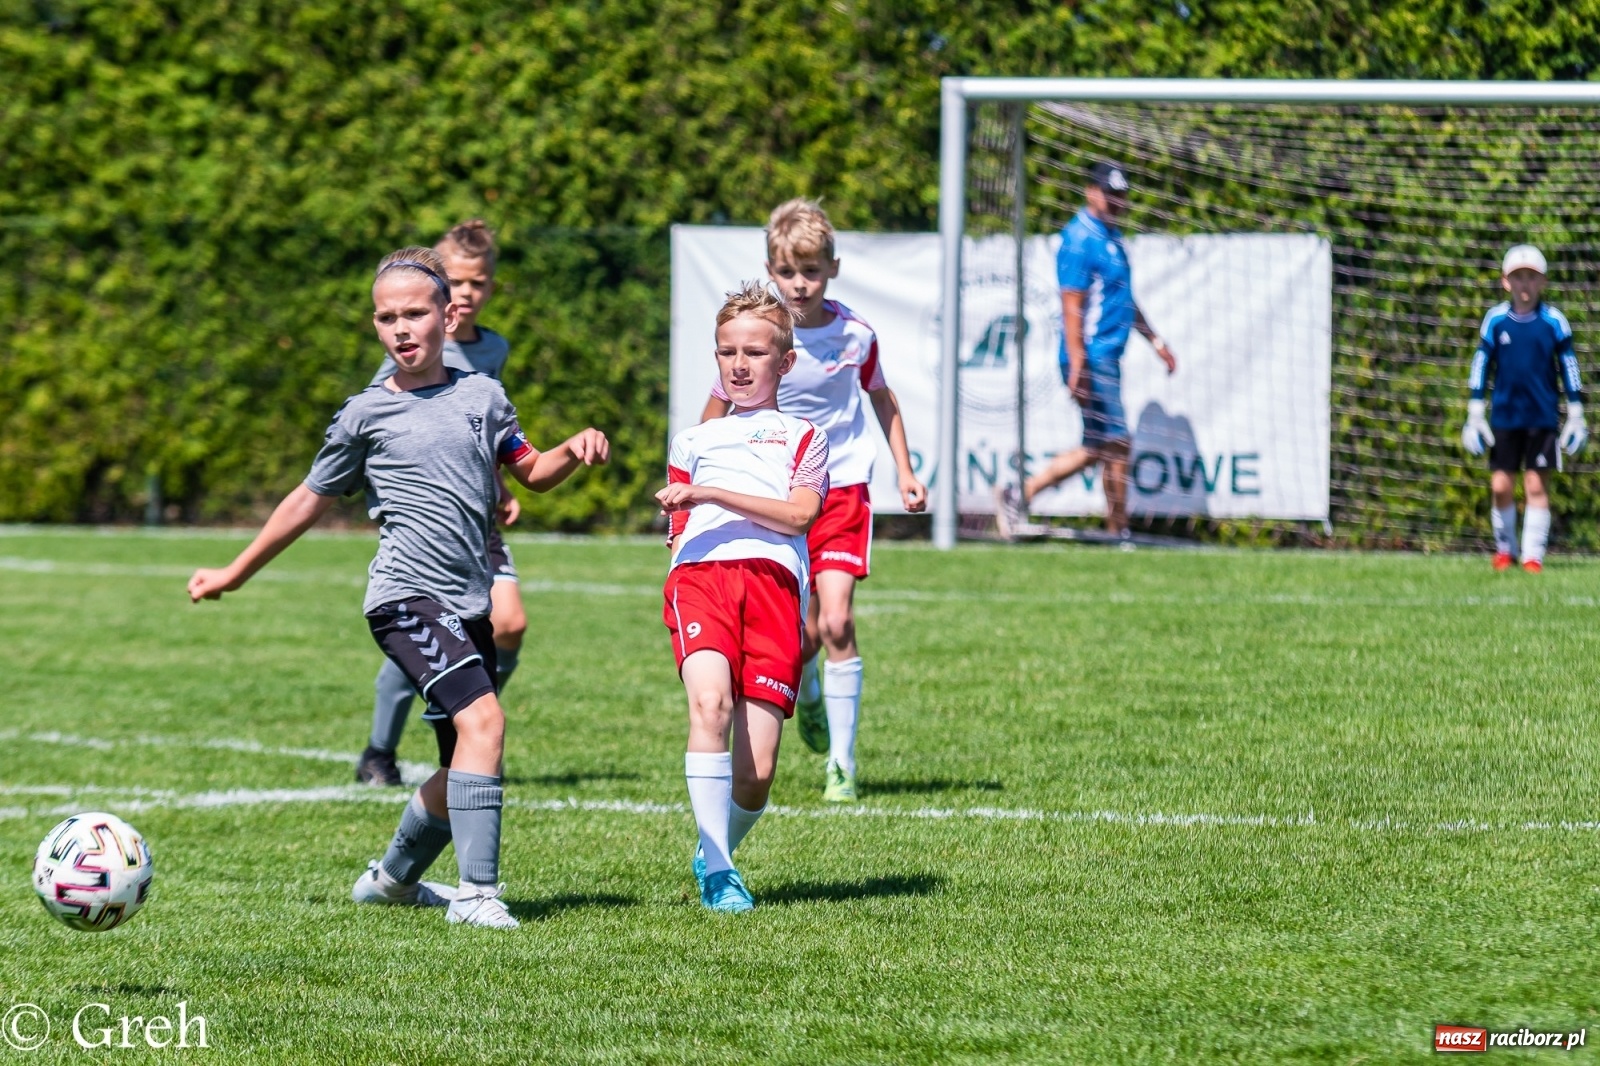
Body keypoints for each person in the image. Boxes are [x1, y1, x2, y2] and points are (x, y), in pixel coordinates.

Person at [187, 248, 609, 929]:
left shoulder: (484, 396)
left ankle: (391, 881)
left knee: (462, 764)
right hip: (403, 597)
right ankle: (476, 895)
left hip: (468, 599)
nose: (401, 329)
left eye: (415, 312)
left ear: (448, 314)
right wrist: (236, 571)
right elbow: (307, 499)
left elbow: (529, 471)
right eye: (387, 318)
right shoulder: (363, 414)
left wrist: (575, 447)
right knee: (487, 724)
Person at [698, 199, 926, 803]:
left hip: (843, 485)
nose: (800, 283)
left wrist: (904, 470)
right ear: (771, 269)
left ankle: (842, 767)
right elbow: (716, 408)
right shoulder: (763, 336)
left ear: (833, 268)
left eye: (812, 271)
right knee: (795, 639)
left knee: (836, 620)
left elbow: (881, 398)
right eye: (787, 271)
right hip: (775, 491)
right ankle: (812, 690)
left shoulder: (856, 335)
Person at [663, 280, 829, 912]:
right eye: (727, 351)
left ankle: (714, 853)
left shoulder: (804, 436)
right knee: (710, 706)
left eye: (755, 353)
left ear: (784, 362)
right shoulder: (692, 440)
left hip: (775, 589)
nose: (738, 364)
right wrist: (687, 543)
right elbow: (677, 531)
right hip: (703, 579)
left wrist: (714, 495)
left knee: (756, 774)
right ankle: (720, 874)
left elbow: (799, 516)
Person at [358, 220, 528, 787]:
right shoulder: (414, 346)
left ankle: (475, 730)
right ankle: (382, 750)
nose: (465, 293)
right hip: (423, 524)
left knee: (509, 624)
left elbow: (486, 431)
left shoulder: (494, 350)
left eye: (477, 282)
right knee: (433, 634)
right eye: (454, 281)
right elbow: (391, 427)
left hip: (475, 517)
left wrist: (500, 485)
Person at [997, 162, 1176, 540]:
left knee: (1101, 445)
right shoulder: (1080, 239)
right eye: (1109, 193)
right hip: (1091, 357)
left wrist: (1155, 340)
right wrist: (1078, 363)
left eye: (1122, 194)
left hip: (1105, 356)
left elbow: (1123, 300)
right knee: (1117, 443)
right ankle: (1118, 532)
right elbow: (1071, 305)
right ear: (1090, 191)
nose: (1116, 201)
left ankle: (1019, 494)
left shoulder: (1111, 237)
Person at [1460, 244, 1586, 572]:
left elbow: (1569, 366)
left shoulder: (1554, 322)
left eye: (1531, 277)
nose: (1525, 284)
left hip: (1541, 418)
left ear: (1542, 281)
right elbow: (1480, 363)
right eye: (1518, 278)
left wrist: (1576, 413)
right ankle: (1506, 550)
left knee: (1535, 485)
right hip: (1504, 417)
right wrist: (1475, 412)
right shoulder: (1496, 321)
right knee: (1501, 485)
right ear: (1506, 282)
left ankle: (1533, 556)